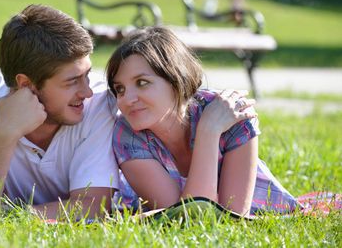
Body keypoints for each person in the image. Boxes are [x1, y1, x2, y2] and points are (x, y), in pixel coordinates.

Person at [0, 4, 119, 220]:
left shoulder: (98, 102)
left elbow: (94, 206)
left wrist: (11, 217)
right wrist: (5, 132)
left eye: (86, 75)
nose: (86, 91)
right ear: (27, 85)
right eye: (72, 81)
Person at [106, 26, 299, 216]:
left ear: (176, 80)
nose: (126, 99)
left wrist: (211, 127)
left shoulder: (230, 113)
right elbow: (189, 218)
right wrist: (208, 133)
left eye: (142, 82)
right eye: (120, 89)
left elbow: (234, 215)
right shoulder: (127, 134)